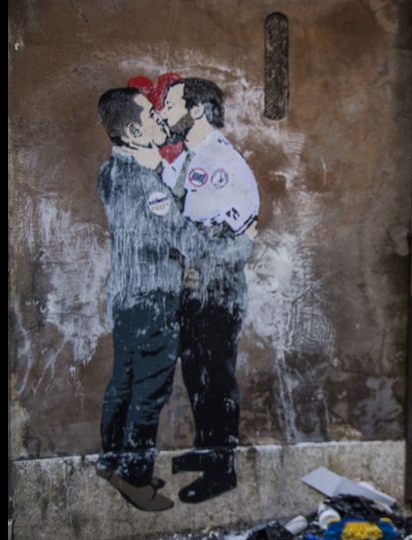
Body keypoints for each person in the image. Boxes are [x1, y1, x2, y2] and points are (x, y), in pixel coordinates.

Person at [157, 77, 260, 504]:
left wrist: (188, 248)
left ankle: (222, 469)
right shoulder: (189, 157)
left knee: (216, 379)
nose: (165, 112)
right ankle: (206, 447)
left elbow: (239, 240)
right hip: (193, 291)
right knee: (195, 375)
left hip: (216, 294)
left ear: (196, 110)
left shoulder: (223, 163)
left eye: (171, 105)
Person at [94, 88, 187, 512]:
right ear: (134, 132)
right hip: (153, 298)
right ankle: (134, 479)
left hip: (126, 296)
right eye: (151, 114)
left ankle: (113, 461)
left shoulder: (109, 172)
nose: (158, 118)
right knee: (149, 391)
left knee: (124, 384)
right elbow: (173, 234)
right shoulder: (146, 181)